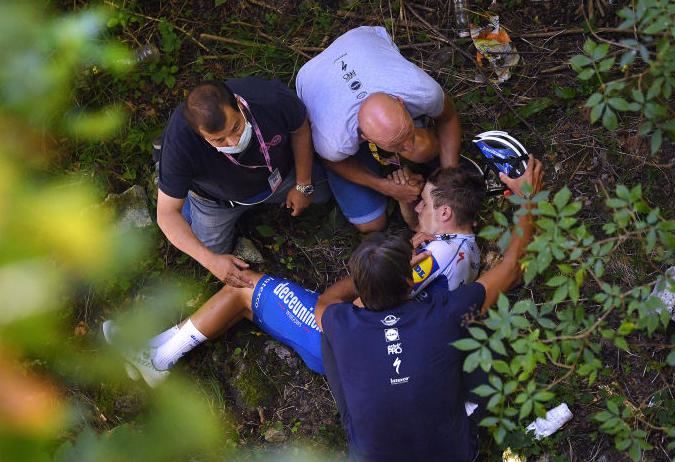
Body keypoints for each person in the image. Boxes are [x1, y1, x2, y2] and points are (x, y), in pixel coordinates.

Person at [103, 166, 486, 385]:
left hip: (353, 349)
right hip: (391, 356)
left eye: (425, 199)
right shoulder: (467, 250)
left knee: (247, 286)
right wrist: (411, 213)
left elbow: (368, 301)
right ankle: (156, 348)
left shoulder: (430, 258)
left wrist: (329, 303)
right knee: (256, 303)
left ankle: (157, 361)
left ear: (447, 213)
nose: (418, 203)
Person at [313, 156, 543, 461]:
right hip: (452, 453)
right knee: (483, 327)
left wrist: (368, 276)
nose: (419, 207)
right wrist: (528, 196)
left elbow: (325, 304)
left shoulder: (343, 322)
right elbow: (512, 267)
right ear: (412, 280)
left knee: (328, 337)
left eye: (423, 202)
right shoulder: (444, 312)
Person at [157, 78, 330, 288]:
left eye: (236, 127)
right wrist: (211, 261)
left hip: (279, 176)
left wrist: (303, 183)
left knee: (322, 191)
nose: (233, 142)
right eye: (218, 140)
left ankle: (172, 182)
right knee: (209, 250)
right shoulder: (180, 142)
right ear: (200, 135)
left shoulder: (269, 97)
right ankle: (172, 183)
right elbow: (166, 215)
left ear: (239, 103)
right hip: (216, 201)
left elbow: (299, 128)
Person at [295, 26, 463, 233]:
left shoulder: (421, 90)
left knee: (422, 149)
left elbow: (448, 117)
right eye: (397, 144)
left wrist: (449, 179)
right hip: (311, 75)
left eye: (406, 133)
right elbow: (332, 162)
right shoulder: (335, 141)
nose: (407, 145)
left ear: (400, 102)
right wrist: (385, 186)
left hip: (360, 38)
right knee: (371, 224)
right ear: (364, 137)